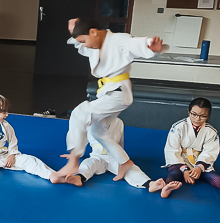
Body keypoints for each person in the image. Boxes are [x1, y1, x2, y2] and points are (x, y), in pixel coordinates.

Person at [54, 18, 167, 182]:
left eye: (84, 40)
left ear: (93, 32)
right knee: (97, 131)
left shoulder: (119, 40)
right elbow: (80, 44)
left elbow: (136, 43)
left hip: (118, 93)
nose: (84, 45)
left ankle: (73, 161)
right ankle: (124, 162)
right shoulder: (95, 45)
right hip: (107, 93)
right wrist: (73, 32)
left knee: (79, 113)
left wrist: (150, 46)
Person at [64, 117, 181, 197]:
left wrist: (122, 158)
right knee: (87, 164)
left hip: (114, 156)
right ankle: (79, 178)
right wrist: (75, 154)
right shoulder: (90, 123)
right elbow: (81, 140)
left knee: (131, 169)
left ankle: (150, 184)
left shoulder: (118, 122)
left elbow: (120, 142)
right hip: (97, 155)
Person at [0, 95, 61, 183]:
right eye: (4, 112)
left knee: (30, 160)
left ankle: (52, 175)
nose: (7, 114)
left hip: (4, 156)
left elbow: (13, 142)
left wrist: (12, 155)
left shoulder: (6, 126)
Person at [162, 98, 220, 192]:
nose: (197, 118)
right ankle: (166, 187)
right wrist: (184, 170)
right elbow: (172, 149)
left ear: (208, 115)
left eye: (203, 116)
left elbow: (210, 151)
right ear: (189, 112)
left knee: (214, 178)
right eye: (194, 114)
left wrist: (199, 168)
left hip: (199, 161)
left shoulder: (211, 132)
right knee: (174, 175)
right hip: (180, 160)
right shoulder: (178, 127)